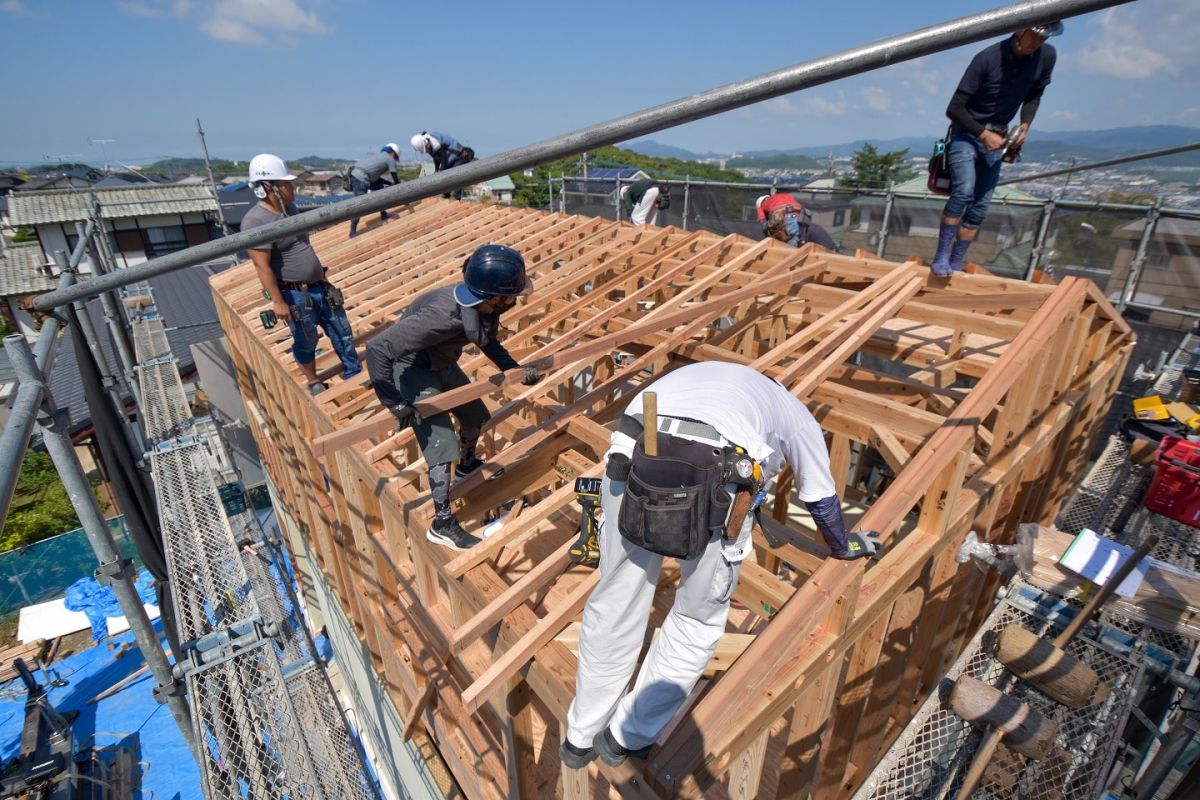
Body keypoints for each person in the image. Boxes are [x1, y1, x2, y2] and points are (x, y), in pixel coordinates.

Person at [560, 361, 881, 769]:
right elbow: (819, 496)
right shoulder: (793, 412)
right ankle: (627, 736)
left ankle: (581, 736)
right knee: (696, 617)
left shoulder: (701, 376)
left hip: (631, 464)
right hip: (716, 482)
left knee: (615, 602)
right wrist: (844, 545)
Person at [365, 244, 542, 550]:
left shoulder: (479, 307)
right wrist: (394, 401)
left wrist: (514, 369)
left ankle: (467, 464)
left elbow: (488, 343)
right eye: (512, 296)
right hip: (412, 368)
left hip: (442, 362)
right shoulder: (441, 317)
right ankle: (442, 522)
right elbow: (377, 349)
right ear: (493, 297)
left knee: (476, 417)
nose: (516, 301)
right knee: (442, 443)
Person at [931, 22, 1061, 276]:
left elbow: (1035, 93)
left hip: (999, 137)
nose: (1037, 43)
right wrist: (982, 133)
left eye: (1043, 38)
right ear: (1020, 30)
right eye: (1034, 36)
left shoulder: (1046, 56)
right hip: (966, 134)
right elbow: (954, 109)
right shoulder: (987, 59)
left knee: (980, 206)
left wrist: (1025, 124)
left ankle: (955, 264)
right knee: (963, 192)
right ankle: (941, 257)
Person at [243, 153, 361, 395]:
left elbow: (303, 248)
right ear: (267, 187)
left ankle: (354, 372)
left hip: (319, 285)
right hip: (295, 295)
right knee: (307, 340)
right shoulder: (255, 221)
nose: (292, 189)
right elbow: (261, 266)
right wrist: (277, 302)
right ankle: (313, 381)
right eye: (286, 185)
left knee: (341, 330)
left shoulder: (291, 209)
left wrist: (323, 279)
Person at [348, 143, 403, 238]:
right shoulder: (389, 159)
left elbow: (375, 178)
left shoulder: (380, 156)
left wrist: (390, 184)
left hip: (359, 175)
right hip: (361, 179)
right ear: (394, 153)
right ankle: (352, 231)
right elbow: (394, 174)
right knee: (359, 204)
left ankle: (384, 214)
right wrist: (398, 185)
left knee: (379, 188)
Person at [755, 193, 838, 251]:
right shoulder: (778, 198)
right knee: (800, 236)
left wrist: (766, 228)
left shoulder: (762, 206)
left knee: (792, 245)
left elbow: (762, 220)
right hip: (801, 214)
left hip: (787, 216)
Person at [410, 131, 475, 199]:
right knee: (445, 176)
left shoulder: (435, 142)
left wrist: (441, 171)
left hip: (459, 156)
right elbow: (436, 158)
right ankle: (446, 196)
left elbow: (443, 159)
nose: (426, 151)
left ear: (426, 143)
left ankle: (457, 198)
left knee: (456, 176)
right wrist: (437, 169)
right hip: (450, 160)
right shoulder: (429, 145)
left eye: (426, 149)